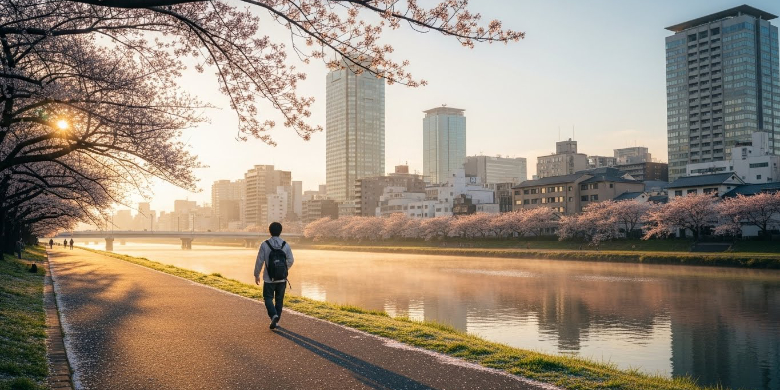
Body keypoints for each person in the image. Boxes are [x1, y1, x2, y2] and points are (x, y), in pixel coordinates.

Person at [254, 222, 294, 330]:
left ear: (269, 231)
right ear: (280, 231)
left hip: (268, 278)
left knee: (268, 298)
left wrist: (256, 274)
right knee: (279, 300)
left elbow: (259, 261)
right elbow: (291, 260)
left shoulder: (265, 244)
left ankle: (273, 315)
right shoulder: (285, 244)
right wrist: (283, 270)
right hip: (282, 279)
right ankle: (276, 321)